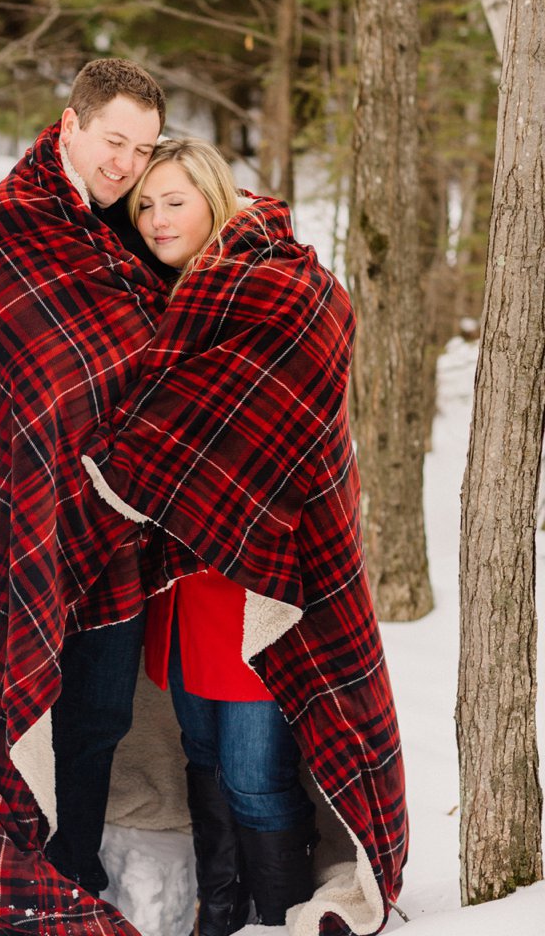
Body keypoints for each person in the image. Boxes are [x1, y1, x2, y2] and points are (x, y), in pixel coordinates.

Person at [83, 140, 408, 936]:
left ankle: (275, 909)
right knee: (199, 748)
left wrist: (140, 458)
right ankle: (218, 911)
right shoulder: (156, 293)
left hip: (267, 570)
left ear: (215, 199)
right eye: (146, 206)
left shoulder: (283, 284)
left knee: (258, 770)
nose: (158, 220)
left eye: (174, 201)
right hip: (188, 572)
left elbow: (267, 407)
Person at [0, 58, 174, 936]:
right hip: (22, 515)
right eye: (115, 141)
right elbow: (51, 379)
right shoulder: (10, 227)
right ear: (71, 124)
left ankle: (80, 863)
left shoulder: (139, 223)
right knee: (25, 702)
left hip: (114, 530)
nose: (127, 163)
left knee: (101, 716)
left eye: (144, 147)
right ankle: (32, 857)